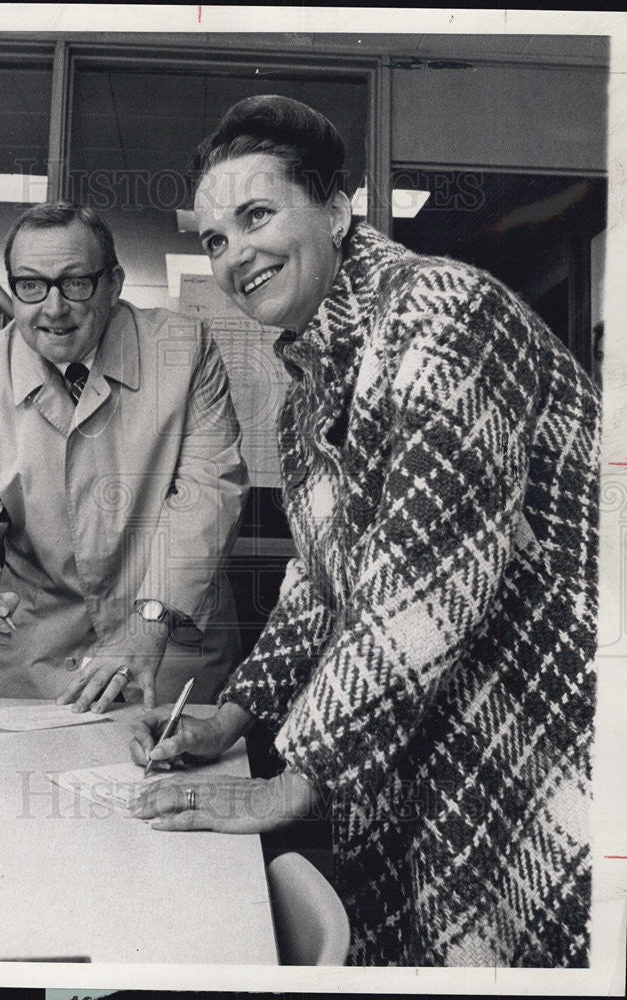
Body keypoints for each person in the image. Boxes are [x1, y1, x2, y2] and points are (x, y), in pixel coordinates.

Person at [129, 96, 600, 967]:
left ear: (340, 210)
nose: (235, 255)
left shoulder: (442, 310)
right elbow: (318, 585)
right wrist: (234, 716)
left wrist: (295, 782)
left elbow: (424, 581)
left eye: (258, 215)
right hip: (442, 738)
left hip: (560, 737)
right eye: (216, 239)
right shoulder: (311, 379)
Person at [0, 202, 248, 708]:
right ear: (11, 290)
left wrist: (152, 615)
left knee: (176, 777)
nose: (53, 307)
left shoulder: (183, 348)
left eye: (76, 283)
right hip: (47, 658)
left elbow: (208, 493)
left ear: (114, 284)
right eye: (31, 285)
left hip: (173, 643)